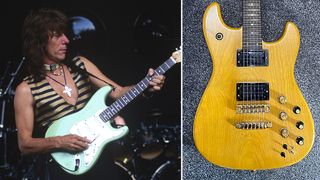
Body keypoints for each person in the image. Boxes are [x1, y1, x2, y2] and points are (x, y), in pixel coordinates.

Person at [14, 8, 165, 180]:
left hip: (100, 159)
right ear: (39, 41)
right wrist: (60, 141)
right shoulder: (26, 89)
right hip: (65, 169)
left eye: (65, 34)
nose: (66, 40)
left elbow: (118, 92)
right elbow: (25, 144)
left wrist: (145, 86)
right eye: (57, 35)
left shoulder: (80, 65)